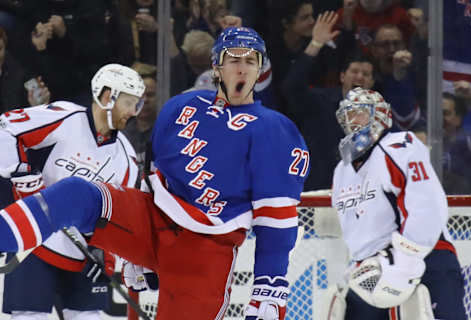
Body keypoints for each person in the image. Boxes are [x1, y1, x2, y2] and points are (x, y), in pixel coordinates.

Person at [0, 27, 309, 320]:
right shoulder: (181, 107)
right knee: (77, 193)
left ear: (259, 69)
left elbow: (276, 216)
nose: (241, 68)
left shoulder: (275, 130)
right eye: (233, 59)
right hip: (152, 220)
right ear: (216, 66)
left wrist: (270, 287)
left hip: (205, 249)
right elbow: (154, 176)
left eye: (250, 61)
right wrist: (132, 253)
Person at [0, 63, 144, 320]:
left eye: (138, 105)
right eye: (129, 103)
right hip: (35, 242)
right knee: (28, 317)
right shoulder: (65, 117)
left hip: (82, 254)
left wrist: (106, 259)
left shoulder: (126, 158)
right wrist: (20, 171)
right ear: (108, 97)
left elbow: (120, 217)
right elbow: (6, 126)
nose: (134, 112)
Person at [328, 88, 466, 319]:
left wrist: (406, 259)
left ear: (379, 116)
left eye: (359, 113)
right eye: (347, 115)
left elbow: (426, 204)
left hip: (426, 259)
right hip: (371, 271)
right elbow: (355, 226)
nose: (352, 121)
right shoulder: (341, 170)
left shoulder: (400, 145)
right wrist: (357, 264)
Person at [282, 11, 374, 190]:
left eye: (366, 74)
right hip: (317, 193)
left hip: (358, 194)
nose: (360, 77)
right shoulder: (320, 101)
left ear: (372, 82)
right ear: (342, 76)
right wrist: (315, 44)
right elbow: (291, 87)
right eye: (355, 71)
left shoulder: (378, 114)